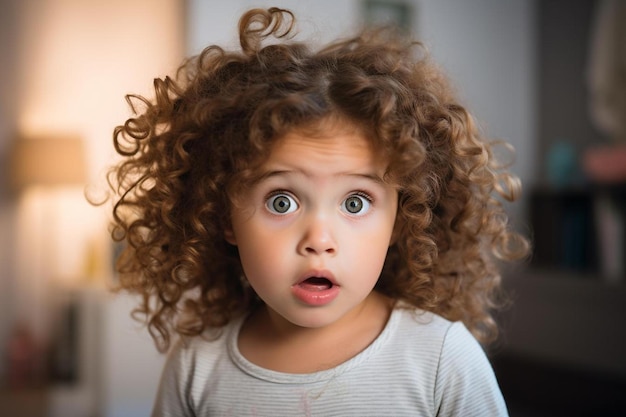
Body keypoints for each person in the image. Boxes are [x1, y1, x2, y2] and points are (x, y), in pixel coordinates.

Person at [106, 7, 528, 416]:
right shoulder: (197, 366)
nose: (319, 241)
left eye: (355, 203)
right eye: (281, 201)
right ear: (222, 218)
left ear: (401, 220)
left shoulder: (441, 361)